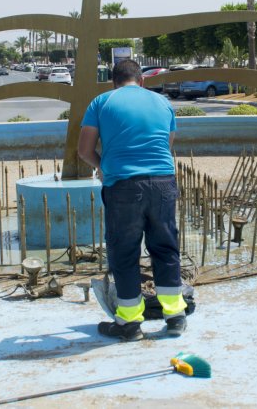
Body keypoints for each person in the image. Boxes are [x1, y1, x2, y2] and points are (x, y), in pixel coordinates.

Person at [78, 59, 187, 341]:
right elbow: (167, 144)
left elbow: (84, 150)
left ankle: (129, 323)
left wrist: (102, 166)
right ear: (142, 80)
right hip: (163, 183)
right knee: (165, 248)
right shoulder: (162, 102)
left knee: (125, 253)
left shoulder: (101, 102)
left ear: (113, 82)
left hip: (123, 186)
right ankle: (175, 316)